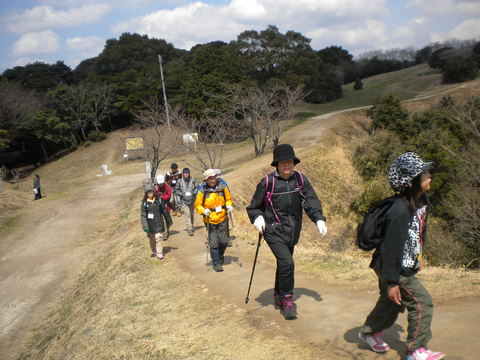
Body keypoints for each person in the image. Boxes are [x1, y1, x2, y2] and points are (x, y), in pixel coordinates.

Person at [358, 152, 445, 360]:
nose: (429, 176)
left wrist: (419, 256)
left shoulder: (422, 202)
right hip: (393, 266)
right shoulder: (398, 211)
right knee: (422, 303)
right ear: (410, 183)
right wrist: (391, 282)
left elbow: (419, 232)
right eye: (424, 174)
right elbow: (391, 247)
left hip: (399, 264)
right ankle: (416, 350)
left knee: (391, 302)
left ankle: (369, 332)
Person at [246, 144, 327, 320]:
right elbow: (254, 206)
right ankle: (287, 300)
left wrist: (318, 218)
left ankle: (277, 293)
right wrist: (257, 218)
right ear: (276, 164)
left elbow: (311, 200)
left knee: (284, 264)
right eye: (283, 162)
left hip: (292, 231)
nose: (287, 165)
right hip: (273, 230)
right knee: (288, 263)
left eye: (290, 162)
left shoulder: (300, 180)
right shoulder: (268, 182)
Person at [194, 169, 233, 272]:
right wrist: (203, 210)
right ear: (206, 180)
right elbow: (197, 205)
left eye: (214, 177)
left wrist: (229, 205)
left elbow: (228, 199)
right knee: (214, 243)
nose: (213, 180)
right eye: (210, 178)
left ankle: (220, 255)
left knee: (224, 241)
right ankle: (216, 263)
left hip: (222, 217)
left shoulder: (222, 186)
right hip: (210, 219)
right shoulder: (202, 190)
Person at [140, 185, 166, 260]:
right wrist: (145, 227)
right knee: (152, 239)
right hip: (150, 225)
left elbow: (164, 211)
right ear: (146, 193)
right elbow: (143, 216)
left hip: (158, 224)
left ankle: (159, 253)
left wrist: (168, 220)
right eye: (148, 192)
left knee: (158, 238)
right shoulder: (144, 203)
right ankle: (154, 251)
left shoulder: (158, 200)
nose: (150, 193)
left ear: (153, 192)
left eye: (151, 191)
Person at [175, 168, 198, 236]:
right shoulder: (179, 181)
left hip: (192, 200)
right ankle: (189, 229)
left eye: (187, 173)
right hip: (184, 201)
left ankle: (192, 226)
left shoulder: (193, 180)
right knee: (187, 215)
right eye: (184, 173)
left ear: (189, 173)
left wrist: (194, 192)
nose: (186, 174)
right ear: (183, 174)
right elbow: (176, 190)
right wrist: (181, 194)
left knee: (191, 214)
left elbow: (197, 187)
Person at [154, 175, 173, 240]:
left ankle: (167, 228)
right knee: (163, 220)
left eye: (161, 183)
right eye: (160, 183)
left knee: (167, 219)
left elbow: (169, 196)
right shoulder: (156, 187)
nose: (161, 184)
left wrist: (161, 196)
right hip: (159, 206)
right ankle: (165, 234)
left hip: (167, 206)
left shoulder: (167, 187)